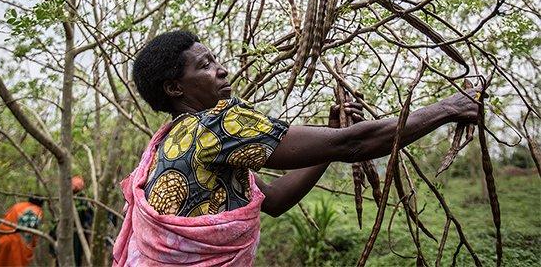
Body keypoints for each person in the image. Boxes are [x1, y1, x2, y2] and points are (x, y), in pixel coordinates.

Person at [113, 30, 479, 266]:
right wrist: (448, 109)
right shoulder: (216, 124)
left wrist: (330, 138)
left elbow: (272, 201)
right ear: (175, 89)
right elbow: (355, 143)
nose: (222, 70)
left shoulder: (169, 141)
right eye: (205, 65)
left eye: (216, 60)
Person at [0, 197, 44, 267]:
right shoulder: (37, 211)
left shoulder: (17, 205)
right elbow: (31, 233)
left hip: (4, 240)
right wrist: (33, 245)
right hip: (18, 246)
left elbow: (3, 222)